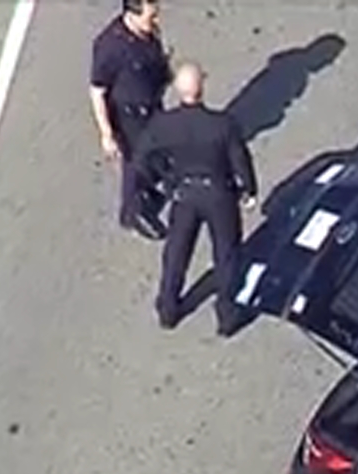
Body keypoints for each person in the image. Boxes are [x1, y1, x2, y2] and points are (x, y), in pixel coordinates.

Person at [131, 61, 258, 333]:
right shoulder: (221, 125)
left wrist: (165, 179)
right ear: (201, 88)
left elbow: (142, 158)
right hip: (219, 193)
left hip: (184, 193)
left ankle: (168, 308)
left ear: (177, 90)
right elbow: (240, 160)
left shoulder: (164, 125)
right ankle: (227, 315)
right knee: (226, 255)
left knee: (176, 253)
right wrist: (248, 189)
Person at [88, 0, 173, 240]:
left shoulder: (149, 32)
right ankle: (132, 213)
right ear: (131, 14)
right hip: (130, 117)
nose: (156, 21)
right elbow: (97, 91)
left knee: (157, 152)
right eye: (151, 17)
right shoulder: (109, 47)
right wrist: (106, 133)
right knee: (135, 165)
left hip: (152, 106)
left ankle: (147, 190)